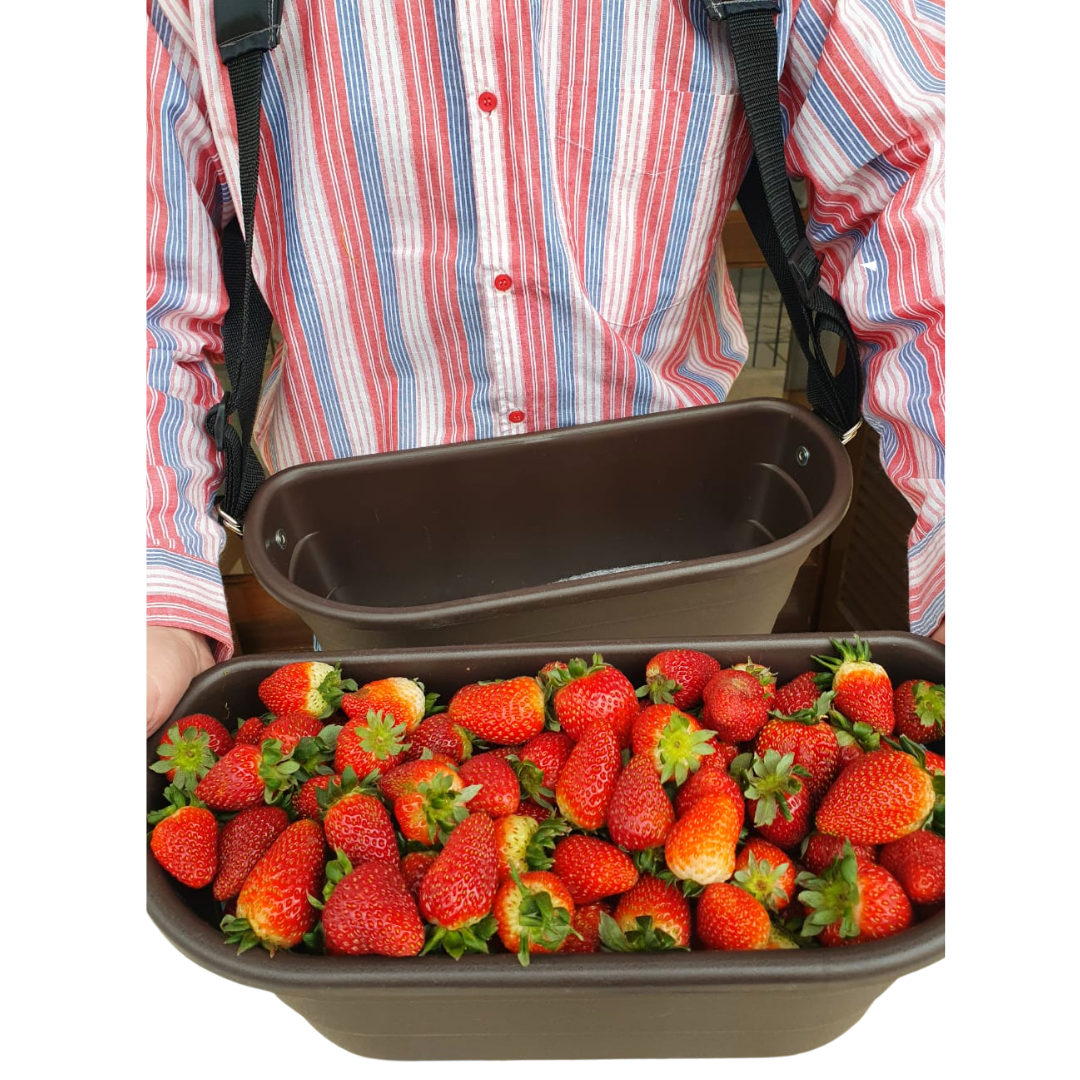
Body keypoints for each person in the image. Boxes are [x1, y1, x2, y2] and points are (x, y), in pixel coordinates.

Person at [146, 0, 945, 736]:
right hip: (368, 605)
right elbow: (146, 295)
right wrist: (151, 604)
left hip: (693, 588)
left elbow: (919, 169)